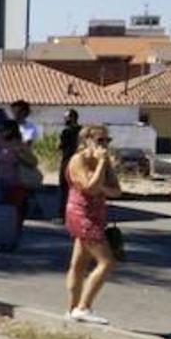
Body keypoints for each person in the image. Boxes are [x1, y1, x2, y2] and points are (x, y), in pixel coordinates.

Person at [64, 126, 123, 324]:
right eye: (100, 140)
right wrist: (100, 166)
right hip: (81, 215)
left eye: (107, 141)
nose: (104, 145)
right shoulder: (78, 160)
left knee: (79, 264)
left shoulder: (104, 162)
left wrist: (103, 181)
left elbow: (116, 191)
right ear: (87, 140)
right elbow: (89, 187)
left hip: (97, 215)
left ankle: (73, 308)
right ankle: (83, 306)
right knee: (107, 261)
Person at [0, 119, 38, 249]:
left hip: (17, 182)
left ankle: (13, 238)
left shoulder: (19, 145)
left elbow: (33, 161)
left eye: (4, 129)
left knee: (15, 212)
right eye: (0, 130)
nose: (1, 132)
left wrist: (20, 155)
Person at [57, 109, 82, 220]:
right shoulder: (82, 131)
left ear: (72, 117)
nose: (64, 119)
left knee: (65, 188)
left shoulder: (66, 131)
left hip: (68, 161)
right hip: (80, 162)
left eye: (66, 117)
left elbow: (60, 146)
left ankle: (64, 214)